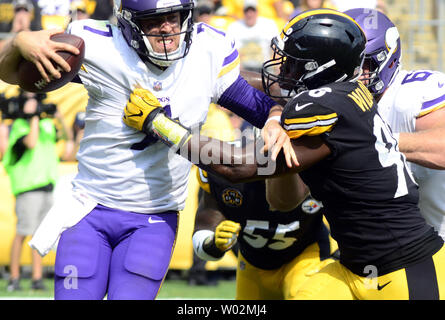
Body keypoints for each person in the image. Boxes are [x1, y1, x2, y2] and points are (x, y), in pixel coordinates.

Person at [122, 9, 445, 300]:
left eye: (292, 63)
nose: (282, 70)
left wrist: (159, 125)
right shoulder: (349, 95)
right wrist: (262, 109)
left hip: (405, 266)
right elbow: (281, 199)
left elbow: (240, 167)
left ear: (320, 68)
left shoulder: (323, 105)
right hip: (353, 266)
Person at [0, 0, 295, 300]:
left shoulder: (208, 49)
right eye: (155, 20)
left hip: (153, 217)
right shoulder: (98, 45)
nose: (167, 27)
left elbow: (261, 107)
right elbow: (12, 73)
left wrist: (273, 119)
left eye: (175, 17)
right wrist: (19, 42)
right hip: (90, 209)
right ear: (128, 24)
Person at [193, 131, 337, 299]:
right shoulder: (225, 168)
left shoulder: (318, 166)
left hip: (306, 255)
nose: (276, 161)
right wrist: (214, 244)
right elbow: (203, 232)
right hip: (253, 263)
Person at [345, 8, 445, 240]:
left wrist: (377, 140)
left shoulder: (414, 92)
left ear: (386, 59)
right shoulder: (339, 104)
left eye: (361, 63)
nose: (352, 74)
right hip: (397, 248)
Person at [1, 90, 60, 292]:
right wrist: (33, 115)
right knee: (22, 234)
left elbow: (67, 137)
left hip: (46, 186)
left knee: (40, 235)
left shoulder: (45, 125)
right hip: (28, 189)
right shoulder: (17, 127)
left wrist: (56, 115)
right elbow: (31, 142)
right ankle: (14, 277)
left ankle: (37, 278)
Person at [226, 0, 279, 73]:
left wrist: (276, 70)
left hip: (264, 68)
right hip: (244, 69)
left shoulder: (269, 25)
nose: (249, 14)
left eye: (252, 11)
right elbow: (232, 52)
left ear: (257, 12)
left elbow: (276, 50)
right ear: (243, 12)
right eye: (246, 11)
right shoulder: (234, 27)